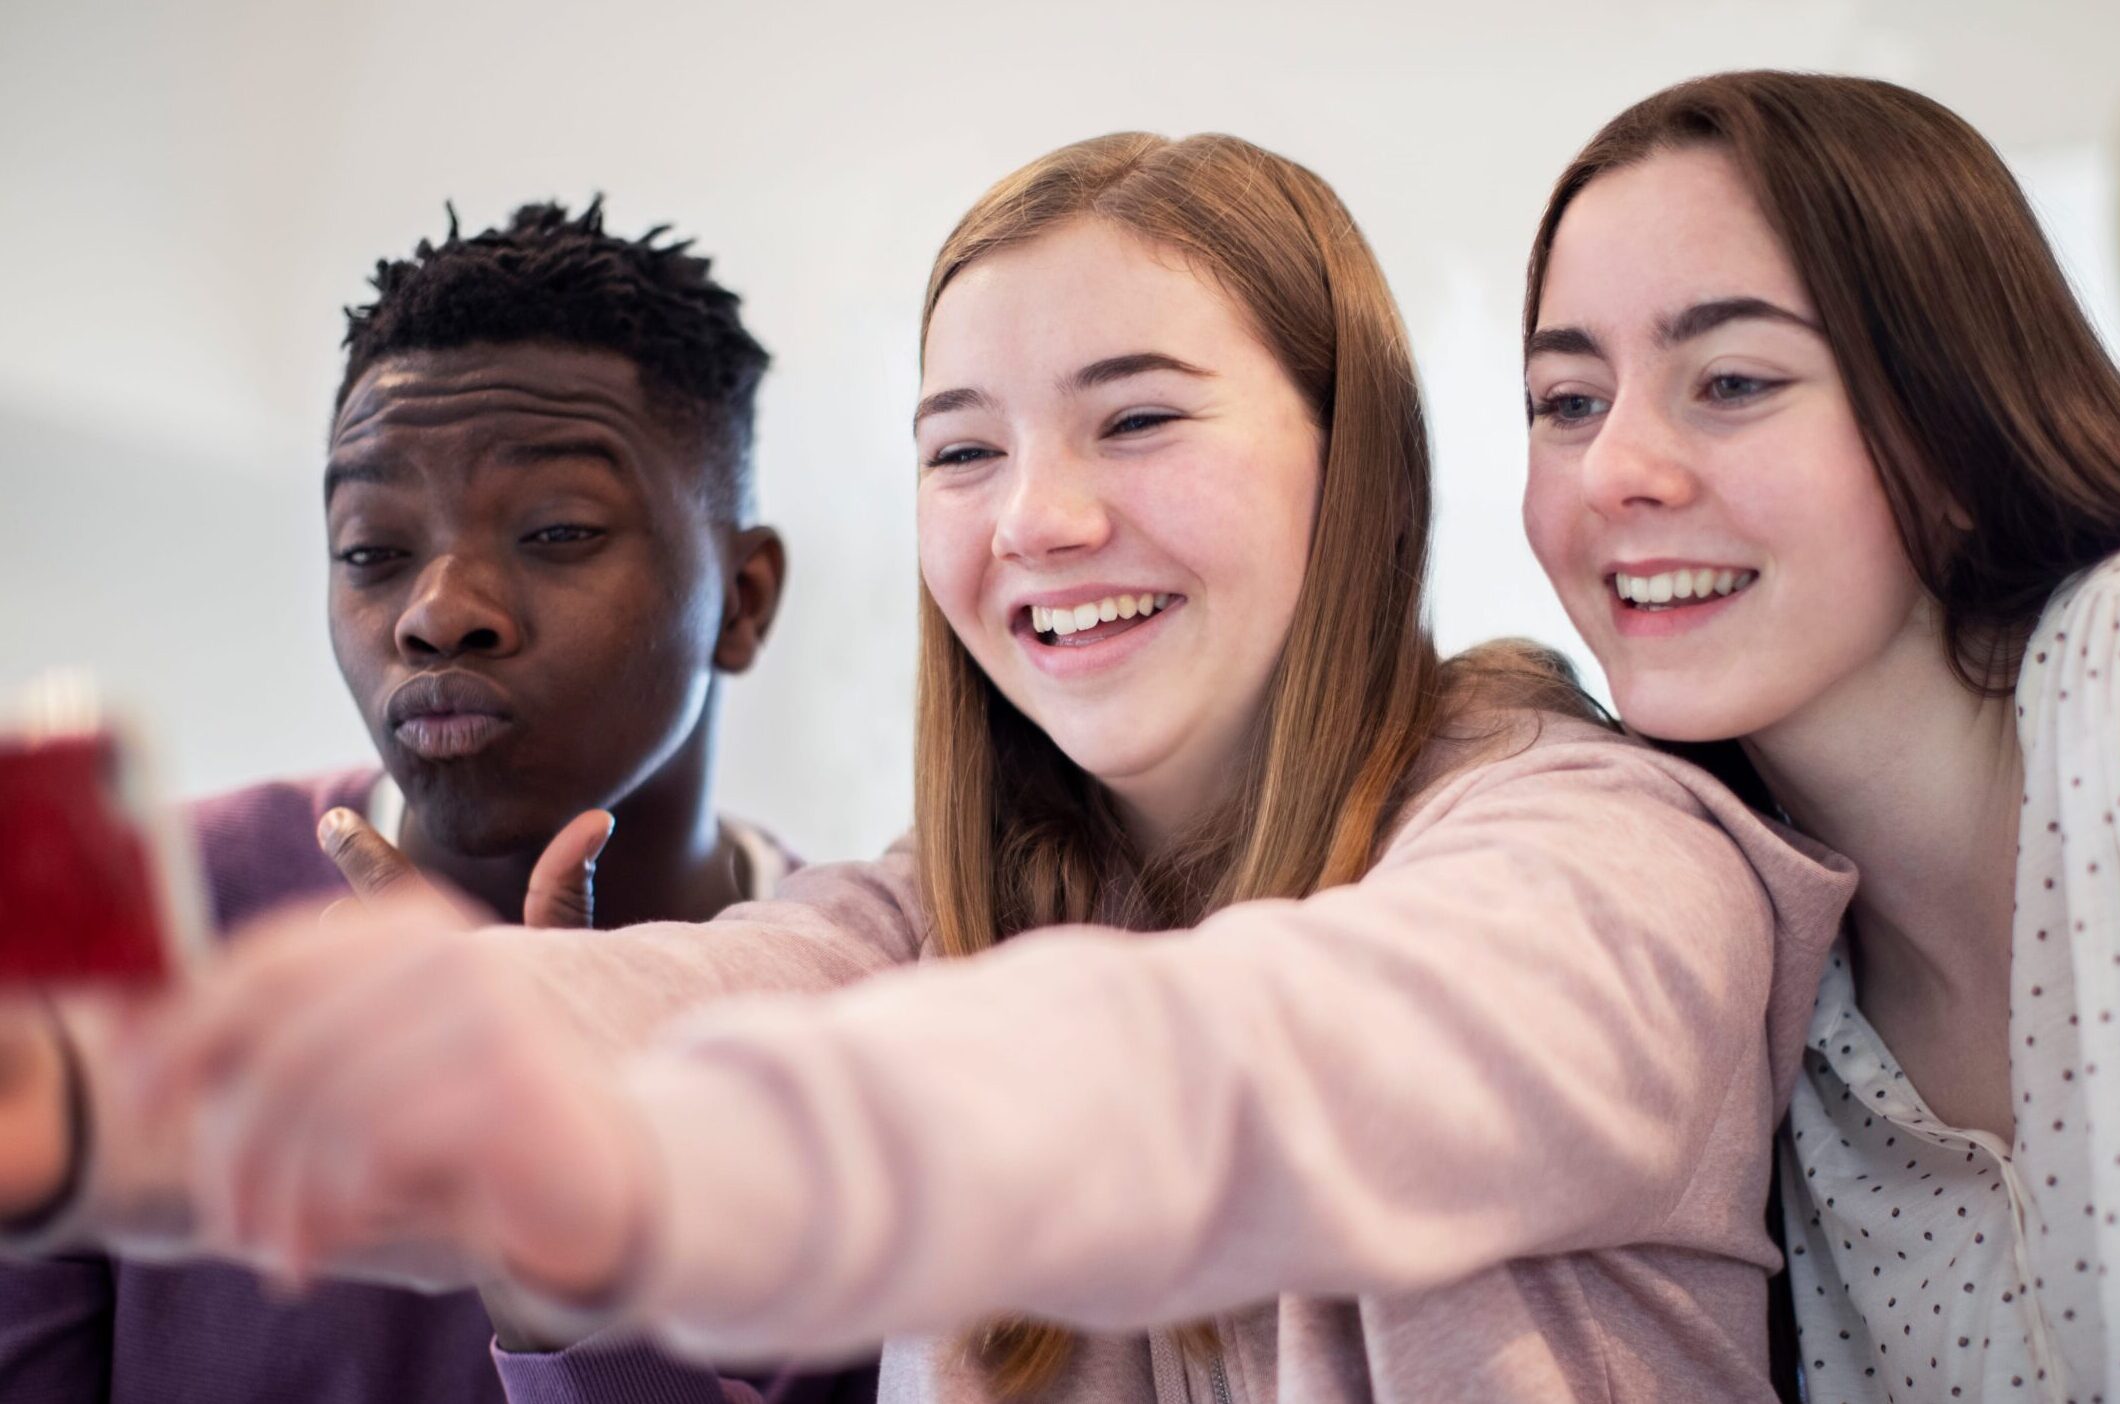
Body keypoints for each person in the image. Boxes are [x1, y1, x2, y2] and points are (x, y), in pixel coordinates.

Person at [8, 133, 1853, 1402]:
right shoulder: (925, 904)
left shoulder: (1605, 853)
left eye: (1135, 416)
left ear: (1349, 454)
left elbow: (1237, 1065)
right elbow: (714, 988)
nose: (1040, 517)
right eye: (962, 451)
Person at [0, 199, 874, 1404]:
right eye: (372, 551)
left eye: (557, 529)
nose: (437, 610)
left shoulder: (877, 1028)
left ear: (743, 599)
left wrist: (557, 1256)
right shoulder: (143, 930)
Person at [1517, 70, 2120, 1403]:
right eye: (1568, 401)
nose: (1612, 469)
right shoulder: (1753, 999)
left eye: (1732, 380)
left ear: (1957, 430)